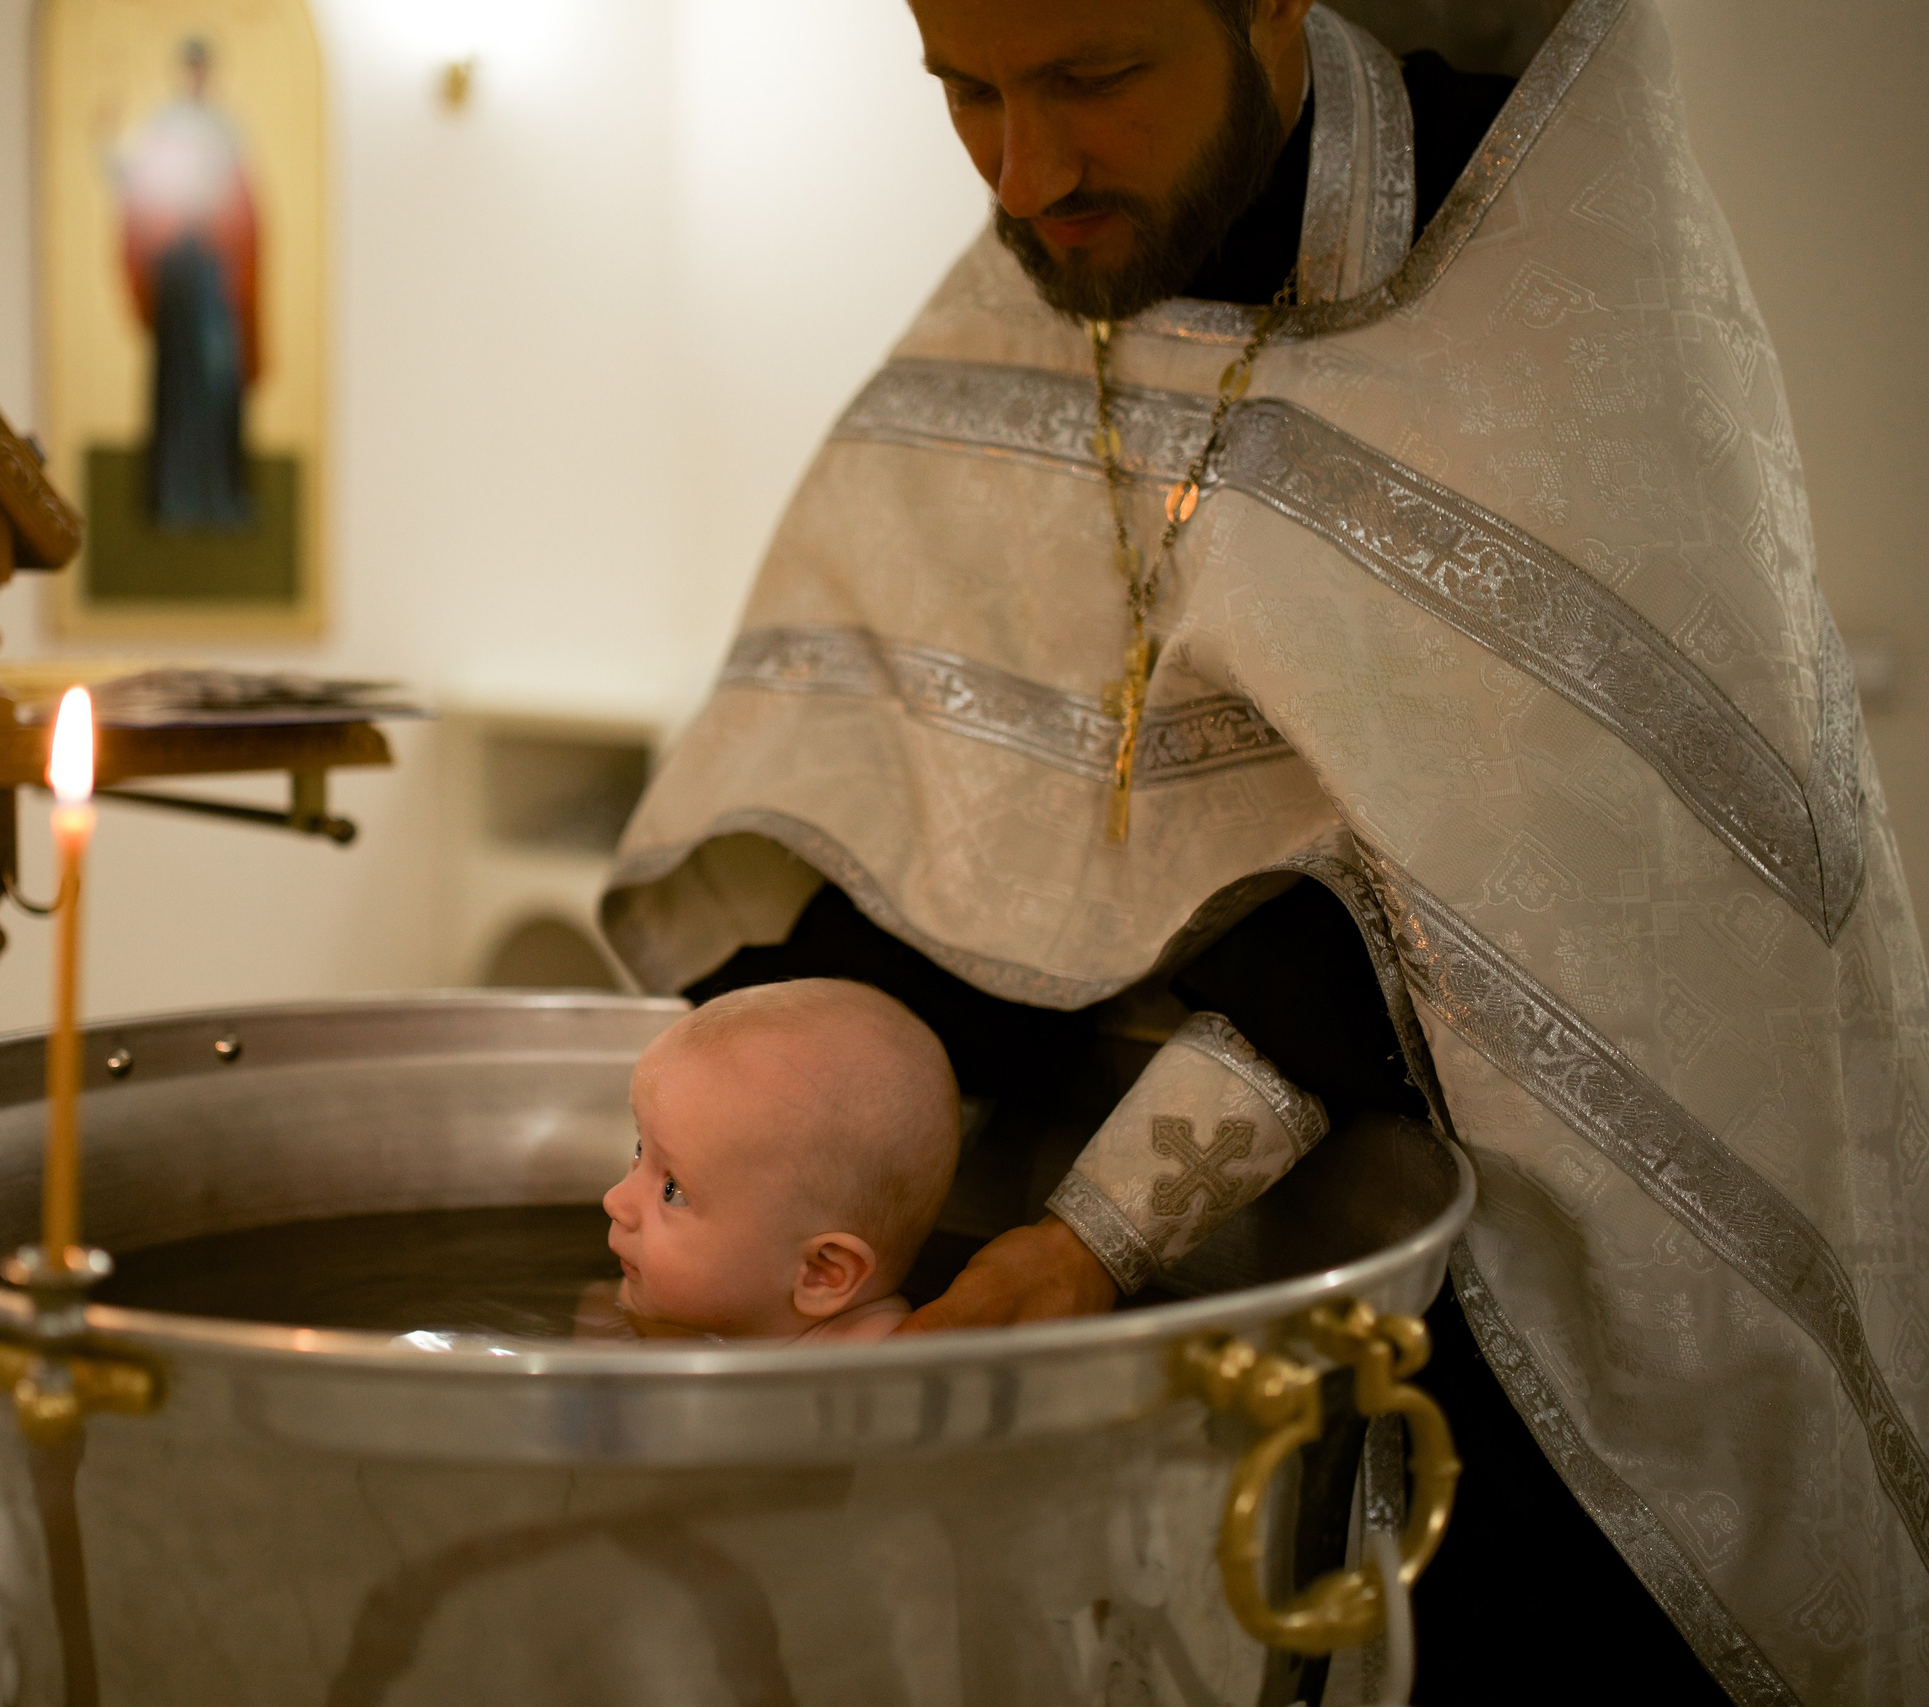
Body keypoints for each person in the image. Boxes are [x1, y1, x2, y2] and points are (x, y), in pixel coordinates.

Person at [599, 0, 1929, 1701]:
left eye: (1092, 78)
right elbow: (928, 813)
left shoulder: (1545, 304)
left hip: (1524, 1305)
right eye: (964, 92)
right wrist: (746, 1127)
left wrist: (1095, 1234)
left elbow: (1515, 892)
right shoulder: (1041, 279)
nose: (1025, 174)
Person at [594, 980, 960, 1342]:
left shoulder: (875, 1361)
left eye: (673, 1191)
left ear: (820, 1272)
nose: (615, 1201)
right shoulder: (650, 1292)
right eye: (640, 1148)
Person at [115, 37, 263, 530]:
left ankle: (222, 497)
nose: (197, 75)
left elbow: (244, 205)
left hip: (215, 270)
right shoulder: (166, 125)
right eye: (192, 67)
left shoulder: (225, 127)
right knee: (179, 385)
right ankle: (175, 497)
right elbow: (135, 188)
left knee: (221, 381)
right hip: (178, 271)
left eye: (203, 67)